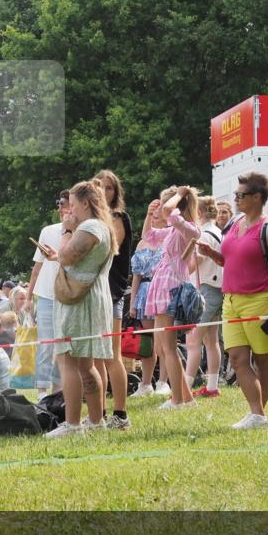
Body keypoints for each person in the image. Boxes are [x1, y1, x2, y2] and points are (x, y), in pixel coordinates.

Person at [197, 171, 268, 429]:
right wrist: (213, 254)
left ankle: (258, 414)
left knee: (261, 358)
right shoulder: (236, 223)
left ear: (258, 197)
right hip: (231, 300)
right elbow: (230, 260)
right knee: (236, 358)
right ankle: (257, 414)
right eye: (235, 194)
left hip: (259, 299)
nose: (235, 199)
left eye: (241, 195)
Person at [44, 179, 116, 438]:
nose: (69, 210)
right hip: (89, 297)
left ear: (85, 203)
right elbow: (69, 257)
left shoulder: (90, 226)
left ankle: (72, 424)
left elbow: (68, 256)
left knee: (69, 361)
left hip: (80, 301)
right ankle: (96, 421)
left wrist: (66, 231)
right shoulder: (99, 226)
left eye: (72, 205)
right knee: (86, 365)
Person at [141, 185, 201, 409]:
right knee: (162, 347)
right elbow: (149, 236)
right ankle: (186, 398)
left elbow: (168, 211)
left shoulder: (190, 228)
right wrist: (149, 215)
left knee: (168, 347)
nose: (160, 210)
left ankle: (177, 399)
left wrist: (178, 195)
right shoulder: (174, 230)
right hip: (162, 285)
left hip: (172, 287)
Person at [93, 170, 133, 429]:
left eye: (109, 188)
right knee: (96, 356)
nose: (104, 193)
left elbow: (109, 249)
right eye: (100, 188)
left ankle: (121, 414)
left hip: (113, 292)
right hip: (95, 293)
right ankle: (99, 414)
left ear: (116, 193)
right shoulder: (93, 221)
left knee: (112, 356)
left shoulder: (118, 218)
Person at [26, 191, 70, 396]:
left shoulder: (82, 232)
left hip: (69, 296)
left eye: (63, 203)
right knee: (46, 345)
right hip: (46, 295)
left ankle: (59, 389)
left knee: (64, 345)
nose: (59, 208)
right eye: (58, 203)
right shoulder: (48, 231)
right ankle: (42, 391)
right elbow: (37, 267)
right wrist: (28, 297)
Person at [185, 196, 224, 398]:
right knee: (211, 340)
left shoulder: (203, 235)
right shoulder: (218, 232)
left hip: (205, 289)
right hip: (218, 288)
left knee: (193, 340)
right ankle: (212, 386)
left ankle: (184, 389)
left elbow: (194, 263)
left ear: (199, 213)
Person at [128, 208, 168, 396]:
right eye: (152, 214)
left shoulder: (169, 238)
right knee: (148, 341)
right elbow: (136, 276)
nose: (155, 216)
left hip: (162, 289)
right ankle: (145, 384)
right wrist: (133, 302)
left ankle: (163, 382)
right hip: (144, 292)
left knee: (164, 340)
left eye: (159, 213)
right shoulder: (142, 243)